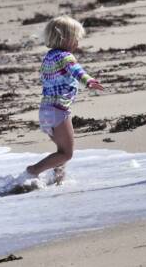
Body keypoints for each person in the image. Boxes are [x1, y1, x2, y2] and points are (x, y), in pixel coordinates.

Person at [25, 15, 104, 182]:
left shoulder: (49, 57)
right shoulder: (65, 56)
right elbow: (76, 70)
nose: (78, 43)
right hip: (58, 111)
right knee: (66, 153)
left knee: (61, 151)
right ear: (65, 38)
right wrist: (88, 81)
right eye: (76, 39)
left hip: (45, 112)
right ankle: (33, 171)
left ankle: (58, 180)